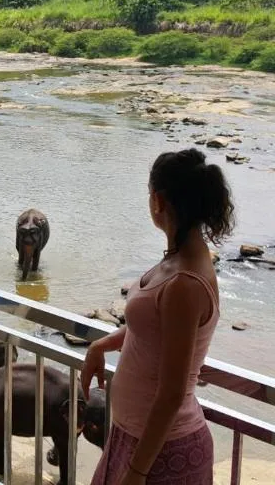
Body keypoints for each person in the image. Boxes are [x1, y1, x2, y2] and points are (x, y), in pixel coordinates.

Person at [81, 148, 235, 485]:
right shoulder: (177, 260)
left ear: (158, 201)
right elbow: (154, 331)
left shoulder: (184, 283)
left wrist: (136, 474)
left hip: (163, 453)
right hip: (134, 437)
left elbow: (171, 393)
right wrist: (102, 346)